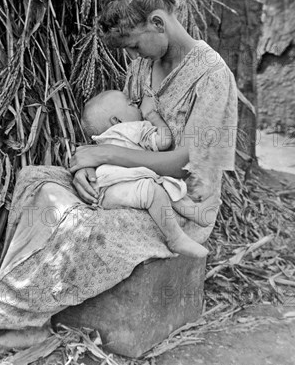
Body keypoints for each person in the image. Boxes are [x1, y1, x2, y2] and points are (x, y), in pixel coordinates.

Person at [0, 0, 238, 363]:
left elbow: (184, 164)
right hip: (127, 183)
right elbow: (120, 132)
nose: (133, 58)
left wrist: (104, 158)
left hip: (177, 206)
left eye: (135, 46)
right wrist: (86, 170)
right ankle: (30, 325)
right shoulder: (145, 67)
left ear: (158, 23)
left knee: (81, 225)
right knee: (35, 180)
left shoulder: (211, 78)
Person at [82, 89, 219, 258]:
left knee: (162, 186)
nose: (137, 105)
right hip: (123, 186)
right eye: (131, 104)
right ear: (117, 120)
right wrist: (154, 118)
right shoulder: (134, 128)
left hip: (106, 191)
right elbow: (164, 141)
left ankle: (197, 214)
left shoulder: (103, 139)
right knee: (158, 189)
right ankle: (175, 237)